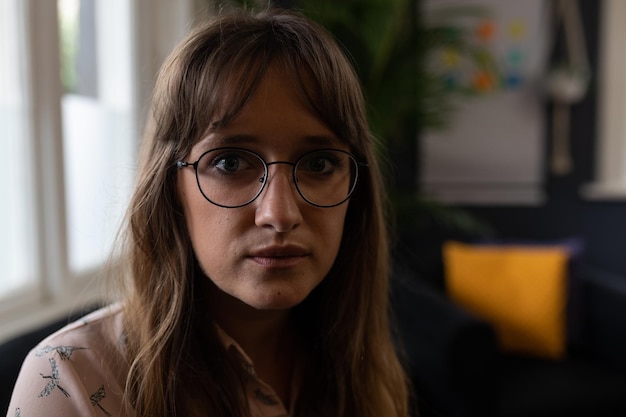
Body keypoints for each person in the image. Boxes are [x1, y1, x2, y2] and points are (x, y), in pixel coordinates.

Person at [6, 7, 412, 417]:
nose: (279, 213)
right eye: (231, 163)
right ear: (171, 188)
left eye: (319, 164)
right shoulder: (69, 383)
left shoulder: (363, 365)